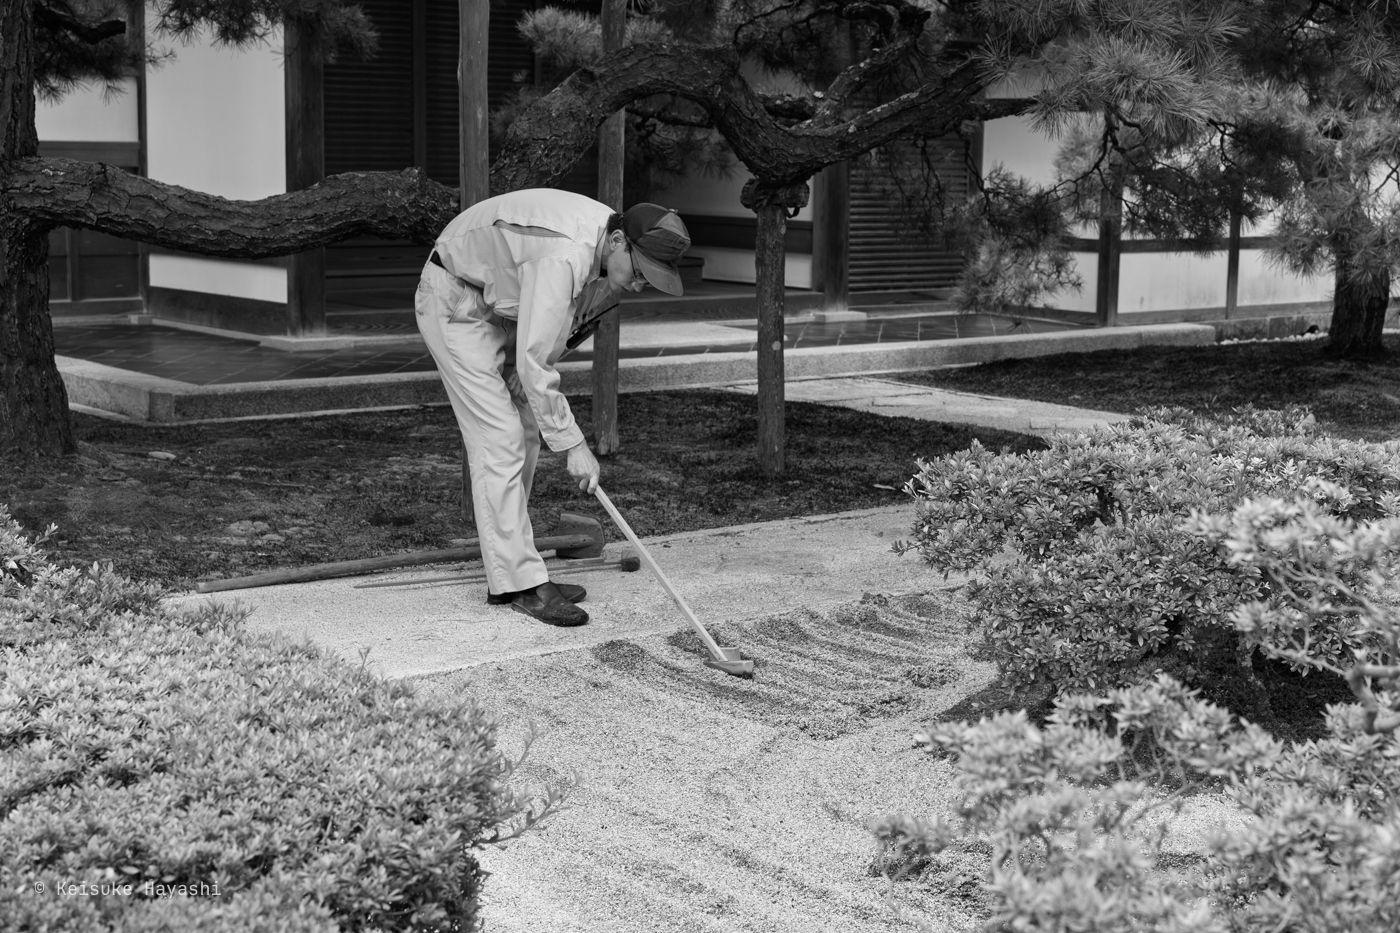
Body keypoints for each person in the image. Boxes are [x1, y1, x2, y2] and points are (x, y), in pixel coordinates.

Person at [415, 188, 691, 627]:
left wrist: (531, 381)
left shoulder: (602, 241)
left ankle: (515, 571)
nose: (640, 284)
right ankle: (520, 583)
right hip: (456, 301)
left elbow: (552, 332)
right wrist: (573, 445)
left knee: (524, 428)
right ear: (618, 241)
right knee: (499, 438)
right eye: (641, 272)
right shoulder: (566, 254)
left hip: (498, 303)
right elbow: (536, 361)